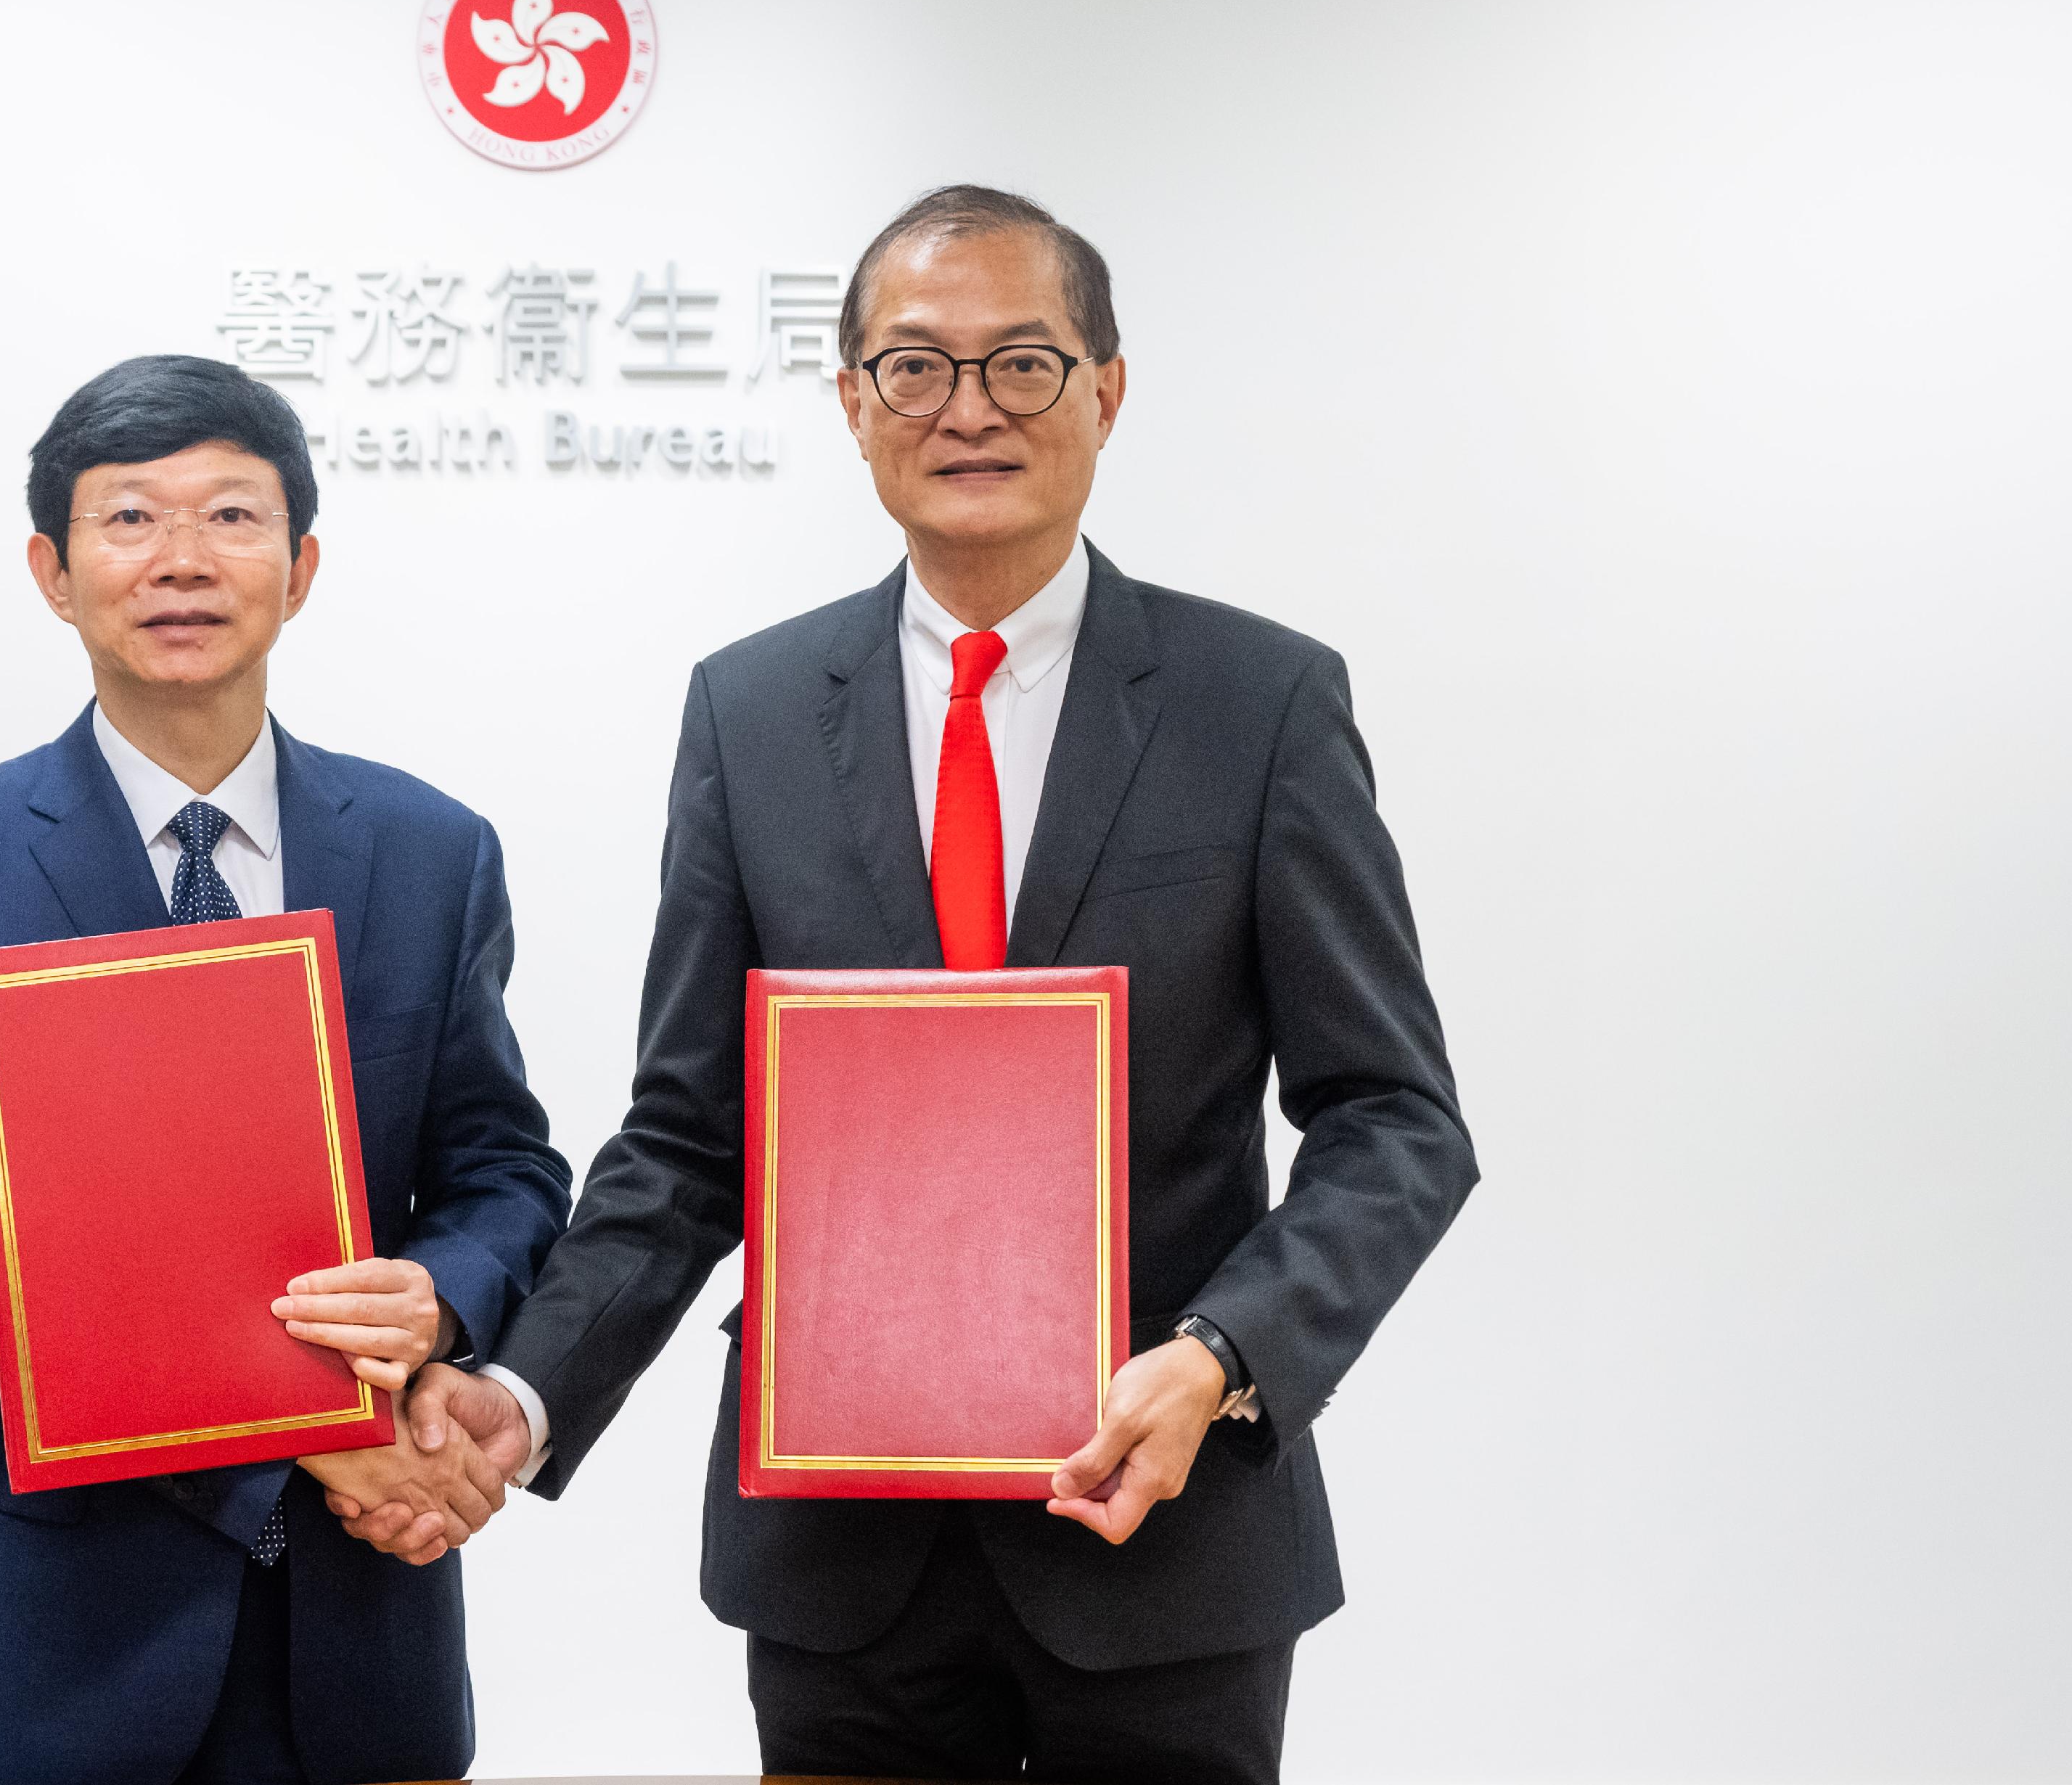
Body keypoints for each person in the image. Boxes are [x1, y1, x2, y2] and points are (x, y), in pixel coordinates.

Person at [375, 186, 1478, 1781]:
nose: (967, 407)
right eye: (913, 366)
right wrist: (527, 1391)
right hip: (841, 1557)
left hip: (1161, 1533)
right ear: (850, 404)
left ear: (1106, 387)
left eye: (1021, 362)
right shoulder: (748, 711)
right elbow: (689, 1137)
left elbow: (1393, 1119)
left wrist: (1222, 1356)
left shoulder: (1260, 701)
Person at [0, 355, 570, 1785]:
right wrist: (308, 1440)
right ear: (53, 570)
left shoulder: (429, 852)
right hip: (44, 1625)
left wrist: (441, 1293)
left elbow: (499, 1169)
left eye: (231, 517)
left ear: (299, 567)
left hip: (357, 1634)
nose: (181, 560)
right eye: (128, 520)